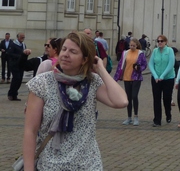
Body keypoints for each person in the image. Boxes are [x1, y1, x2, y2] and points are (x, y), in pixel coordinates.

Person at [22, 31, 128, 170]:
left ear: (84, 59)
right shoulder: (42, 83)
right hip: (51, 165)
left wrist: (101, 69)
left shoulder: (92, 82)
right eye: (64, 49)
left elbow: (121, 101)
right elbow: (31, 131)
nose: (65, 54)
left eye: (73, 51)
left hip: (88, 165)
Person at [114, 38, 147, 126]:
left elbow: (144, 64)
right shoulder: (125, 53)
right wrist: (116, 77)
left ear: (137, 45)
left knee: (134, 96)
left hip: (136, 77)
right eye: (130, 45)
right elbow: (120, 64)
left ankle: (136, 116)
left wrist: (139, 68)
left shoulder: (140, 53)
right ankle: (129, 118)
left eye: (133, 45)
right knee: (128, 98)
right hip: (127, 77)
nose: (131, 47)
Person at [148, 34, 175, 126]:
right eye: (158, 41)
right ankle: (157, 120)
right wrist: (155, 76)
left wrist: (162, 76)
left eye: (161, 41)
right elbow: (151, 64)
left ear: (165, 42)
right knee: (156, 99)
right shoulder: (155, 51)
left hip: (168, 78)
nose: (159, 43)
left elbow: (171, 64)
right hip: (156, 79)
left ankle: (168, 114)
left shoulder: (170, 50)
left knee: (167, 98)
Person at [7, 32, 31, 101]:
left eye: (23, 37)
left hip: (21, 64)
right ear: (18, 37)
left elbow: (24, 54)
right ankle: (11, 94)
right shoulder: (13, 44)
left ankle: (15, 94)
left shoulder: (23, 45)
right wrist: (19, 56)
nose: (23, 38)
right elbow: (9, 53)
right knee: (16, 78)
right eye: (21, 37)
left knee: (20, 80)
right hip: (14, 64)